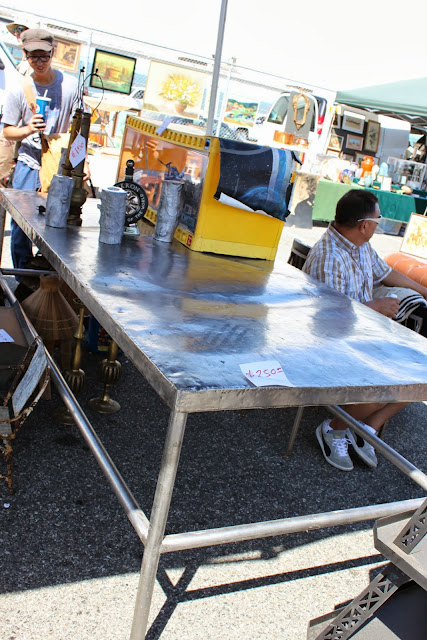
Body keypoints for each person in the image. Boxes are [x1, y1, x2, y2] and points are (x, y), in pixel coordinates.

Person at [303, 189, 427, 472]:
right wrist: (374, 306)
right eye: (377, 220)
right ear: (363, 225)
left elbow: (385, 272)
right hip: (331, 346)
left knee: (422, 374)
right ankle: (334, 427)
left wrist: (423, 290)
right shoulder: (329, 256)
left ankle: (365, 428)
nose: (377, 224)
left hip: (362, 337)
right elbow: (330, 320)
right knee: (393, 383)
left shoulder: (358, 244)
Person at [2, 28, 78, 271]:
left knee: (57, 227)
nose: (40, 62)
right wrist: (28, 129)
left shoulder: (70, 85)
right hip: (28, 163)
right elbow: (7, 131)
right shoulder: (19, 88)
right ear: (24, 54)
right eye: (33, 57)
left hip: (59, 166)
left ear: (53, 53)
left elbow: (80, 127)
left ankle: (47, 278)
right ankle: (24, 282)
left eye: (44, 56)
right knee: (20, 226)